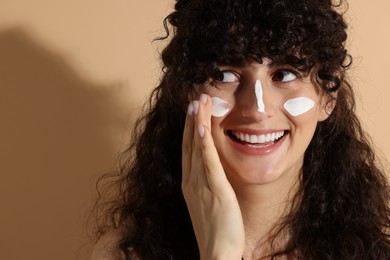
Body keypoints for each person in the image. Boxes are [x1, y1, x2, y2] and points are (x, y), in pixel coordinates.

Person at [90, 0, 390, 259]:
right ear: (186, 93)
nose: (257, 110)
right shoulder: (125, 254)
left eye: (284, 74)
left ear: (328, 95)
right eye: (224, 74)